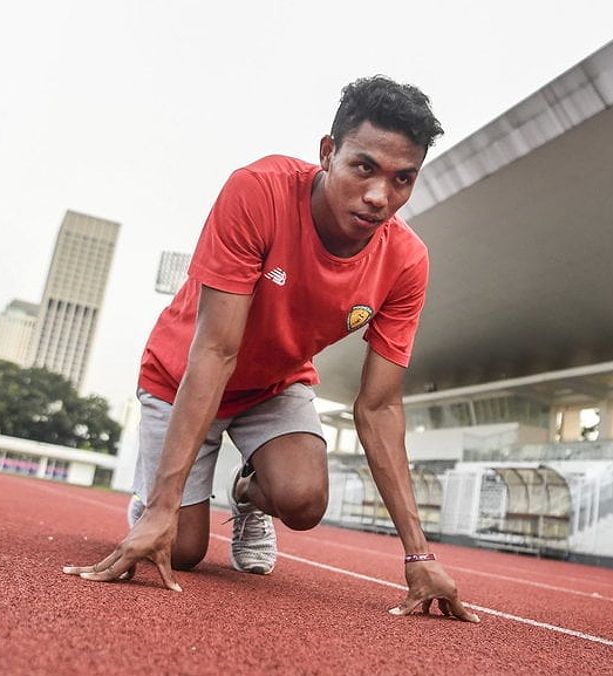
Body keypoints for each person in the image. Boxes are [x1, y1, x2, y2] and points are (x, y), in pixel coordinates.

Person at [64, 75, 479, 623]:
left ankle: (245, 494)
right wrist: (162, 510)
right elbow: (215, 351)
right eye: (364, 168)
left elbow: (378, 407)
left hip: (274, 385)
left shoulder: (405, 261)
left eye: (403, 179)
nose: (381, 197)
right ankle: (154, 499)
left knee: (305, 501)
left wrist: (418, 554)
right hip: (182, 374)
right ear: (328, 152)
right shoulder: (257, 191)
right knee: (181, 551)